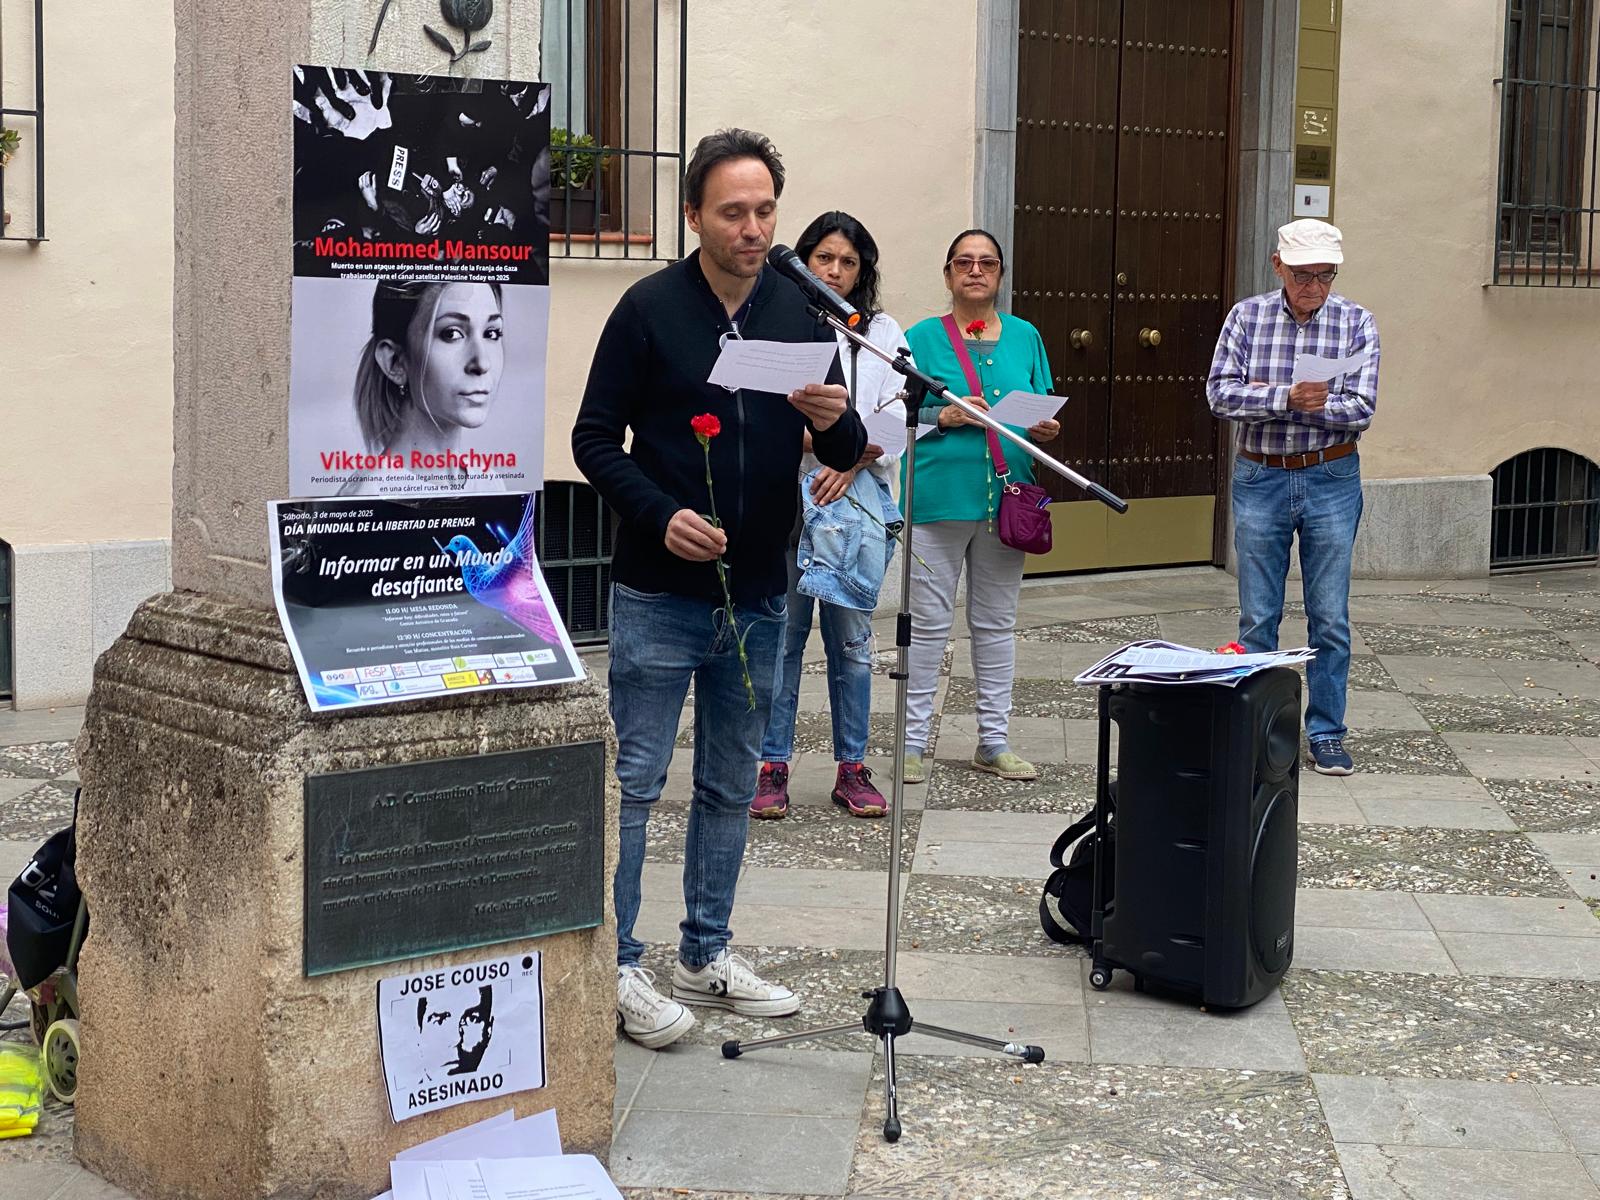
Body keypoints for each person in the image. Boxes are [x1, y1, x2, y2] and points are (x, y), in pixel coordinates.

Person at [571, 129, 866, 1049]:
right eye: (733, 212)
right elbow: (593, 440)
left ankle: (705, 952)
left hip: (761, 592)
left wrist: (837, 422)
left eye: (765, 211)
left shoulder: (798, 310)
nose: (753, 229)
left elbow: (844, 446)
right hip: (660, 591)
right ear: (693, 215)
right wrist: (659, 514)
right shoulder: (650, 309)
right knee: (635, 781)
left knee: (732, 782)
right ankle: (617, 963)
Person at [1206, 218, 1380, 776]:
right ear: (1278, 266)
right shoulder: (1247, 317)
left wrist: (1304, 404)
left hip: (1332, 477)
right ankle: (1258, 731)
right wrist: (1286, 397)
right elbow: (1219, 394)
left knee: (1329, 616)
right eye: (1304, 275)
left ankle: (1326, 731)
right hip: (1261, 476)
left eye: (1325, 276)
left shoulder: (1356, 321)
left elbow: (1362, 408)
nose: (1315, 287)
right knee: (1258, 615)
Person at [752, 212, 908, 821]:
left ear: (862, 271)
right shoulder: (777, 322)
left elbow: (897, 418)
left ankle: (852, 768)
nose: (835, 271)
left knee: (852, 643)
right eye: (824, 258)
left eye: (848, 262)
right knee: (783, 639)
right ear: (804, 262)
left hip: (856, 504)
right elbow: (762, 417)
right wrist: (830, 447)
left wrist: (848, 458)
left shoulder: (883, 331)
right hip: (788, 502)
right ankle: (772, 766)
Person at [899, 230, 1061, 786]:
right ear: (948, 274)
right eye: (964, 262)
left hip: (1007, 501)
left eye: (986, 263)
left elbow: (1040, 403)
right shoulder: (920, 338)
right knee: (927, 626)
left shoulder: (1025, 335)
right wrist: (941, 417)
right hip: (937, 497)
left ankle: (994, 741)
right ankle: (912, 743)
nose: (975, 271)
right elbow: (893, 416)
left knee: (996, 624)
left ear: (1000, 274)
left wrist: (1046, 427)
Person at [340, 279, 510, 495]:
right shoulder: (370, 495)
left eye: (491, 333)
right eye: (451, 333)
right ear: (395, 362)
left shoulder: (489, 483)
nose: (482, 363)